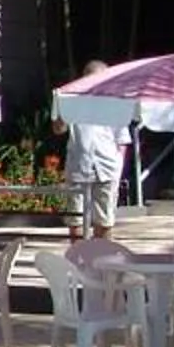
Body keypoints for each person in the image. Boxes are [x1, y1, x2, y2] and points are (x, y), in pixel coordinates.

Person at [61, 64, 127, 237]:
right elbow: (58, 129)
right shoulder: (71, 101)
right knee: (75, 218)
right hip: (78, 167)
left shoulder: (115, 104)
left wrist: (118, 170)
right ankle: (77, 261)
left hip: (106, 168)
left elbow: (122, 140)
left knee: (104, 219)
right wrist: (60, 111)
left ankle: (100, 260)